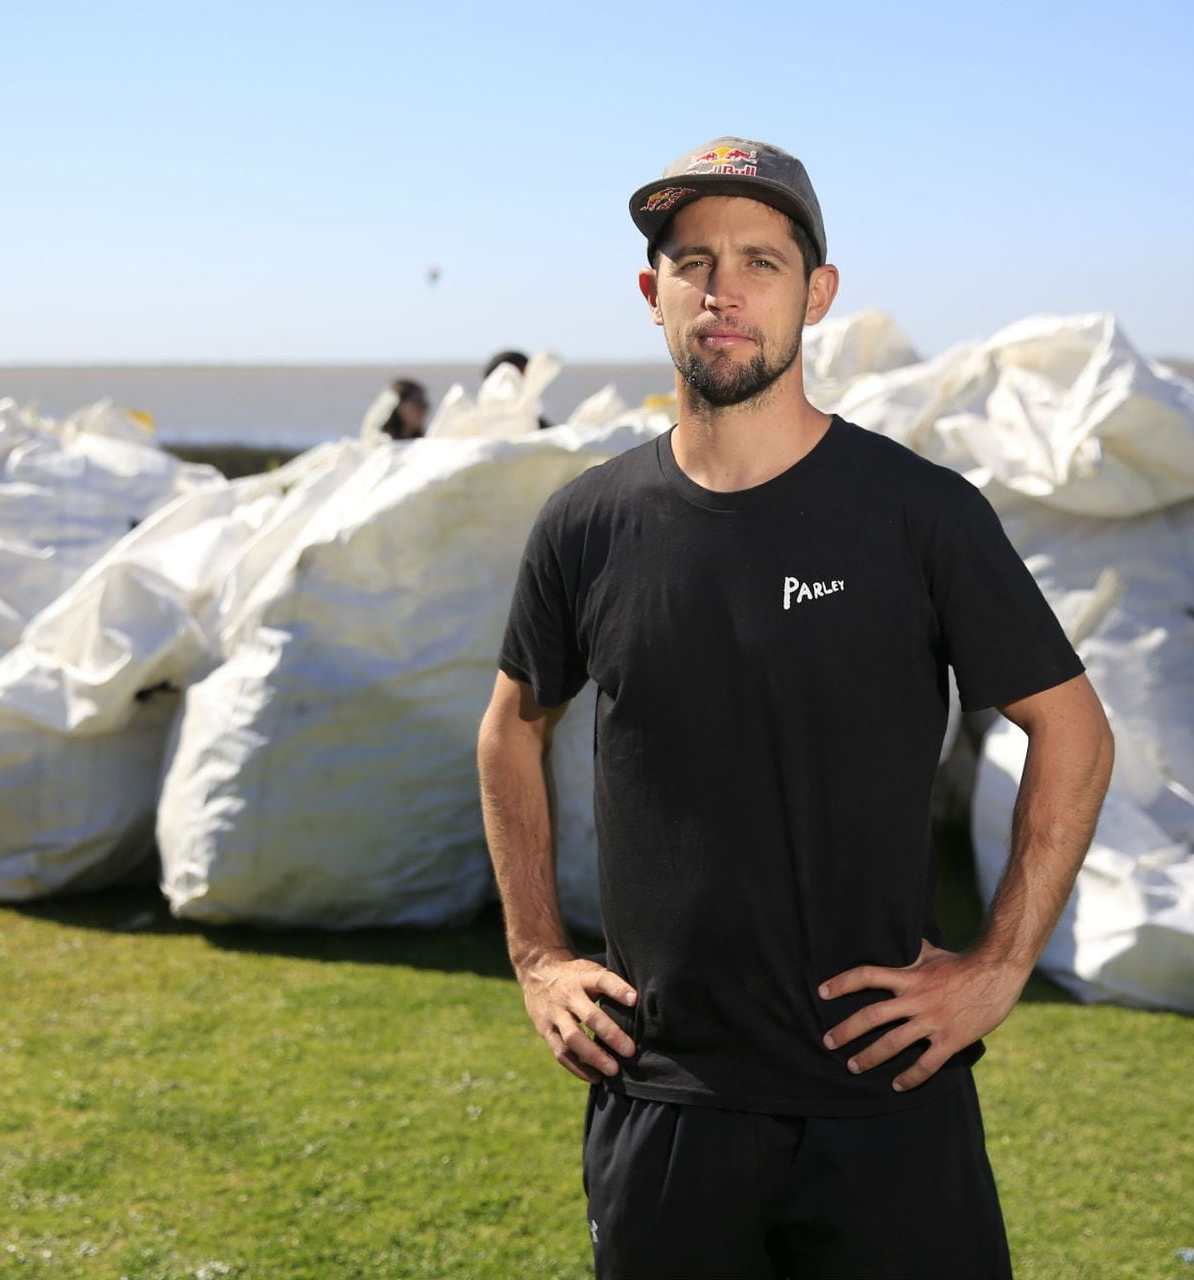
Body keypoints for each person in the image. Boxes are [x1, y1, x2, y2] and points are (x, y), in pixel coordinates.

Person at [477, 136, 1114, 1278]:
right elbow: (510, 726)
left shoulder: (919, 515)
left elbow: (1073, 725)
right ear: (652, 292)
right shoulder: (587, 524)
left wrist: (998, 964)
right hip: (665, 1101)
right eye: (694, 261)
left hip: (886, 1096)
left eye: (762, 261)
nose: (724, 290)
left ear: (817, 294)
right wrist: (536, 954)